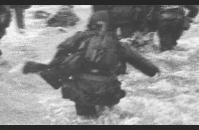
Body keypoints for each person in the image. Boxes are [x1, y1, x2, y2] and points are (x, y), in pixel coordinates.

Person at [23, 17, 160, 118]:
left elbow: (59, 58)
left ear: (90, 25)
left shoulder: (79, 37)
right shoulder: (118, 44)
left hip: (81, 89)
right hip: (108, 89)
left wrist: (44, 69)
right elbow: (145, 66)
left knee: (85, 119)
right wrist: (156, 72)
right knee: (107, 116)